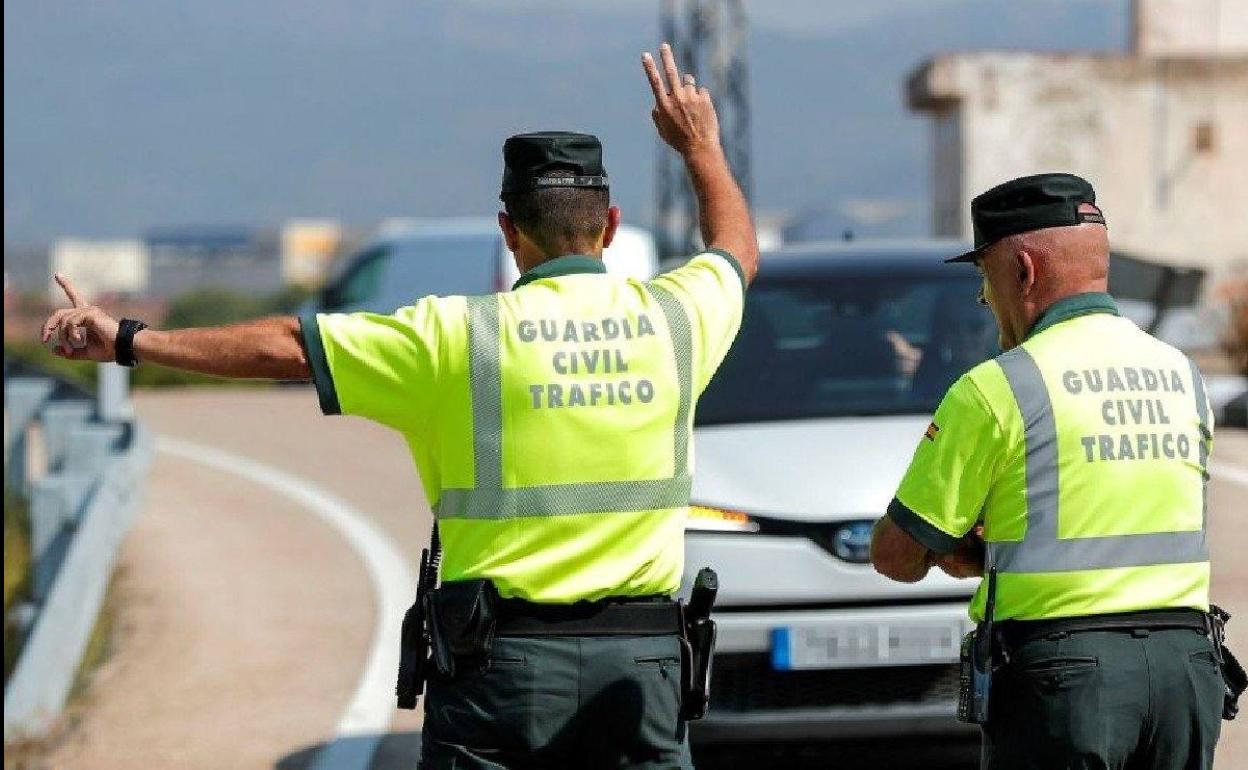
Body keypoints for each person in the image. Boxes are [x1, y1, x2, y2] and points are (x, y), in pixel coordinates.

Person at [41, 43, 757, 770]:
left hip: (500, 670)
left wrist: (131, 339)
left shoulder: (453, 335)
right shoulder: (677, 320)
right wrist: (700, 145)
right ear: (610, 226)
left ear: (508, 232)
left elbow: (290, 345)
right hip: (640, 669)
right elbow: (735, 250)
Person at [869, 173, 1228, 769]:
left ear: (1024, 272)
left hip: (1067, 679)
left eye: (985, 278)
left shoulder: (999, 387)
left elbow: (896, 555)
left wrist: (968, 553)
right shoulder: (1181, 376)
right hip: (1184, 672)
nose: (985, 300)